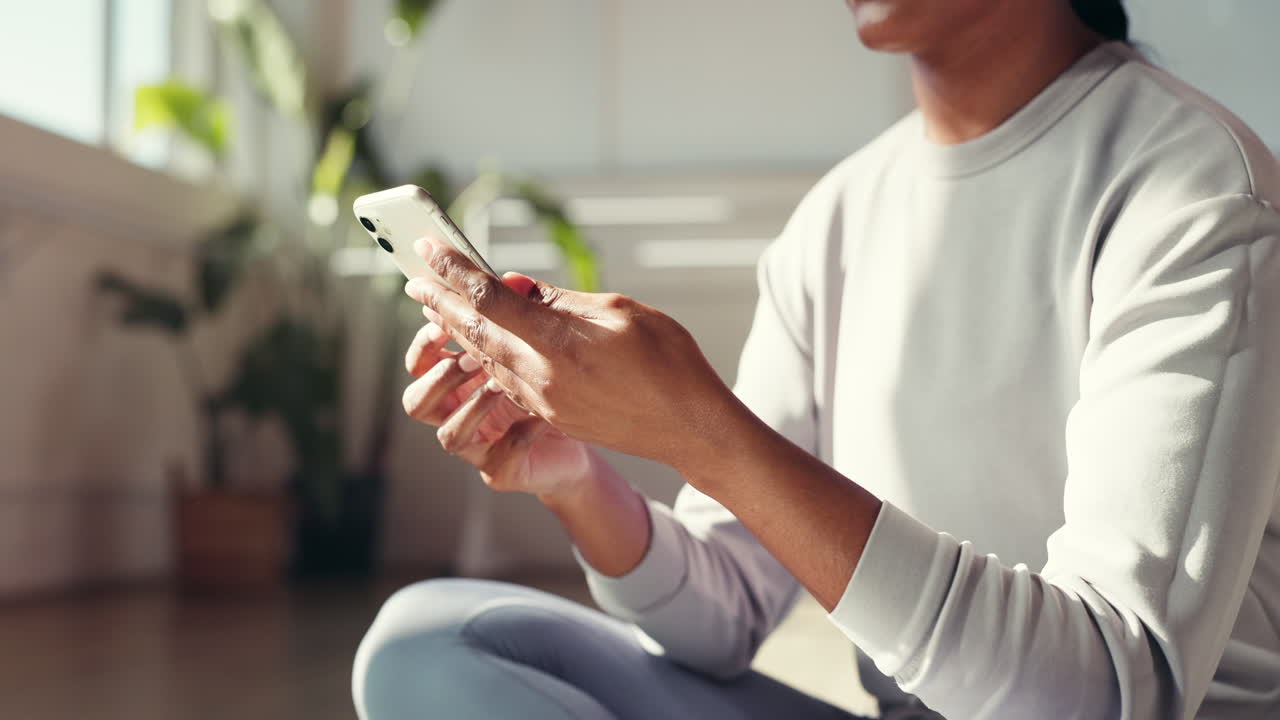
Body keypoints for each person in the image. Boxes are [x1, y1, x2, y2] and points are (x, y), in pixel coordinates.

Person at [353, 0, 1280, 717]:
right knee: (430, 648)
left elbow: (1108, 695)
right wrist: (574, 478)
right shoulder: (838, 219)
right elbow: (721, 619)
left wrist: (702, 430)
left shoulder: (1193, 189)